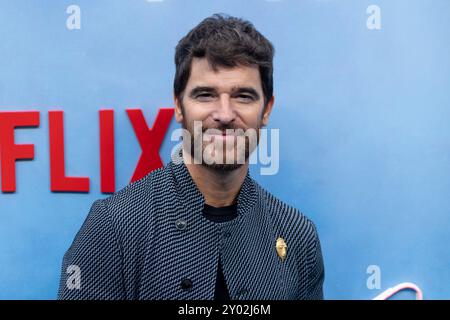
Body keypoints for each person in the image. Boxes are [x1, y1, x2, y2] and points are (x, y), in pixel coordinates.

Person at [58, 13, 324, 300]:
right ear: (179, 106)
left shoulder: (298, 236)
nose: (224, 114)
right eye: (205, 95)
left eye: (243, 96)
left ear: (267, 110)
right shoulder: (113, 226)